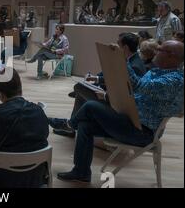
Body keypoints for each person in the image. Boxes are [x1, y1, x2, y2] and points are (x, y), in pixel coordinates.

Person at [53, 40, 183, 183]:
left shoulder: (174, 81)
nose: (155, 51)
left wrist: (122, 60)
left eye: (160, 49)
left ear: (172, 56)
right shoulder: (156, 71)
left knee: (90, 106)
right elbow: (134, 91)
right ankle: (81, 172)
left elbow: (138, 86)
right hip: (131, 122)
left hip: (142, 133)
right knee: (85, 126)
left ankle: (69, 125)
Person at [54, 33, 147, 138]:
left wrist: (105, 95)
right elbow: (117, 80)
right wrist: (97, 79)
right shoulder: (133, 61)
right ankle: (71, 125)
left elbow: (129, 94)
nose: (114, 47)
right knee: (81, 90)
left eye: (118, 44)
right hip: (112, 98)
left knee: (79, 88)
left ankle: (71, 126)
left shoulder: (134, 66)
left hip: (118, 106)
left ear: (125, 47)